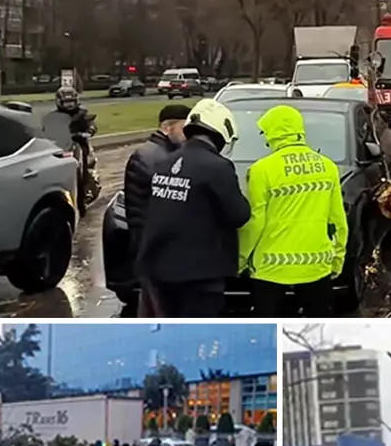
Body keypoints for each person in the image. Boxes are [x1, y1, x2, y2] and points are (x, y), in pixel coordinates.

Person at [137, 99, 251, 317]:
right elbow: (239, 215)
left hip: (160, 269)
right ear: (221, 132)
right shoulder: (217, 167)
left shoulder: (165, 163)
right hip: (199, 275)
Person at [239, 104, 348, 318]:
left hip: (270, 269)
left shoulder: (262, 170)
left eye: (266, 133)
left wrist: (240, 259)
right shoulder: (328, 167)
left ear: (274, 132)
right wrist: (338, 259)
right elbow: (337, 221)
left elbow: (255, 221)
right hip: (317, 266)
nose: (265, 139)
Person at [124, 104, 190, 318]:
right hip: (153, 250)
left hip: (153, 249)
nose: (187, 134)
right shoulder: (155, 158)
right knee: (159, 309)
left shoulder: (159, 153)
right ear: (167, 127)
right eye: (184, 128)